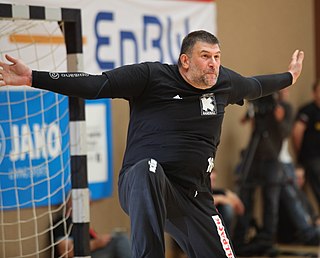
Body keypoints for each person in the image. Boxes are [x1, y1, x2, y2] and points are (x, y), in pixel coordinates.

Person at [0, 30, 304, 258]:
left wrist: (289, 77)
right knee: (149, 167)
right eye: (205, 56)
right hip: (141, 182)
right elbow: (94, 84)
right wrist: (33, 77)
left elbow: (257, 85)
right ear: (185, 61)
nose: (213, 64)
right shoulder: (151, 76)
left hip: (194, 195)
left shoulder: (224, 83)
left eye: (217, 57)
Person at [232, 91, 294, 256]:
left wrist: (279, 119)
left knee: (270, 200)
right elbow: (246, 122)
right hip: (254, 159)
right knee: (245, 197)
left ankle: (266, 239)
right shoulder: (258, 107)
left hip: (272, 159)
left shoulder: (285, 108)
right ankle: (239, 239)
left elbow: (286, 132)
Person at [53, 196, 132, 258]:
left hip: (93, 251)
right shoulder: (63, 223)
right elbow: (66, 252)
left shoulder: (82, 223)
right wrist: (96, 243)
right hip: (84, 255)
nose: (90, 206)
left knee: (121, 238)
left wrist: (102, 239)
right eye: (86, 203)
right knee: (120, 241)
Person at [292, 80, 320, 206]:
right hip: (311, 157)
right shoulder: (307, 111)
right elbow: (297, 133)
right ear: (314, 93)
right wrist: (300, 151)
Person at [210, 168, 245, 235]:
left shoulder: (220, 192)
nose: (211, 183)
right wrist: (221, 199)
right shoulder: (200, 193)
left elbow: (240, 209)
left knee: (228, 208)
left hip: (221, 226)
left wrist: (231, 196)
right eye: (209, 180)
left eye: (213, 180)